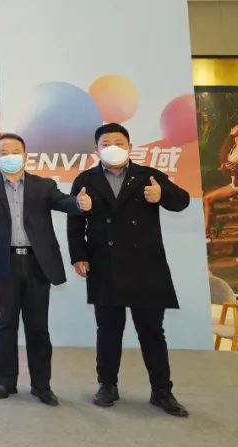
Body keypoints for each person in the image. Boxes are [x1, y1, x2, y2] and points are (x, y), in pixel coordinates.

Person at [67, 122, 191, 417]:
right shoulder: (86, 179)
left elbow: (182, 200)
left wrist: (162, 196)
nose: (112, 147)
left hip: (146, 265)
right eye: (106, 143)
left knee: (152, 331)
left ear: (129, 146)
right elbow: (75, 223)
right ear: (96, 149)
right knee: (108, 330)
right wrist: (78, 256)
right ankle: (107, 385)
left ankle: (162, 391)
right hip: (104, 264)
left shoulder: (149, 175)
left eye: (119, 142)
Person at [0, 133, 90, 406]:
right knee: (4, 325)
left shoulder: (42, 185)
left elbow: (63, 201)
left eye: (15, 151)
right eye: (3, 152)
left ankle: (41, 386)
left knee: (38, 327)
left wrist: (79, 204)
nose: (9, 156)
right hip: (2, 263)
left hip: (37, 263)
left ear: (25, 156)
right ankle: (5, 382)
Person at [203, 122, 238, 263]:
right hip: (235, 184)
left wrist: (232, 166)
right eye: (231, 127)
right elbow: (229, 165)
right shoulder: (233, 147)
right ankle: (206, 235)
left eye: (235, 127)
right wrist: (225, 166)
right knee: (208, 199)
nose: (232, 128)